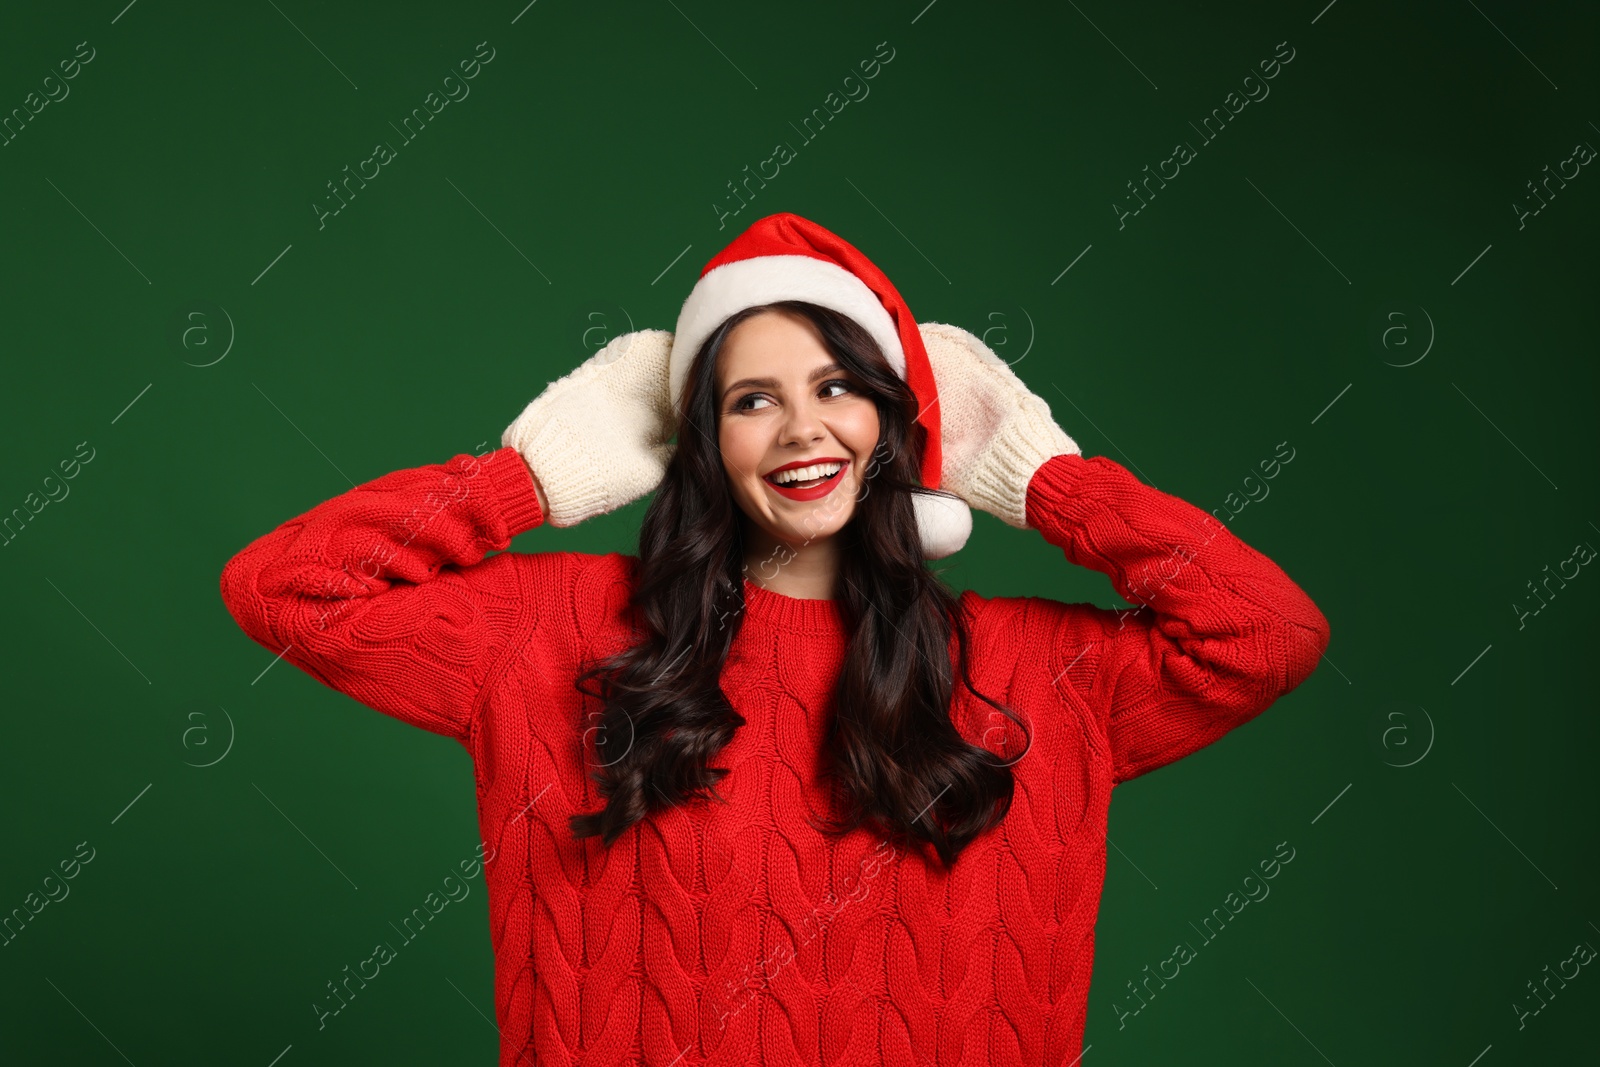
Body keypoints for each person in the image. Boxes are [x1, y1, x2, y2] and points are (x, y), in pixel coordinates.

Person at [220, 212, 1330, 1066]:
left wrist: (1042, 479)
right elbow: (286, 587)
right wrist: (528, 476)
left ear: (892, 423)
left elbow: (1264, 631)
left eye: (839, 386)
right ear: (695, 439)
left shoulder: (1035, 672)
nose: (804, 427)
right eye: (752, 399)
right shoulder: (554, 632)